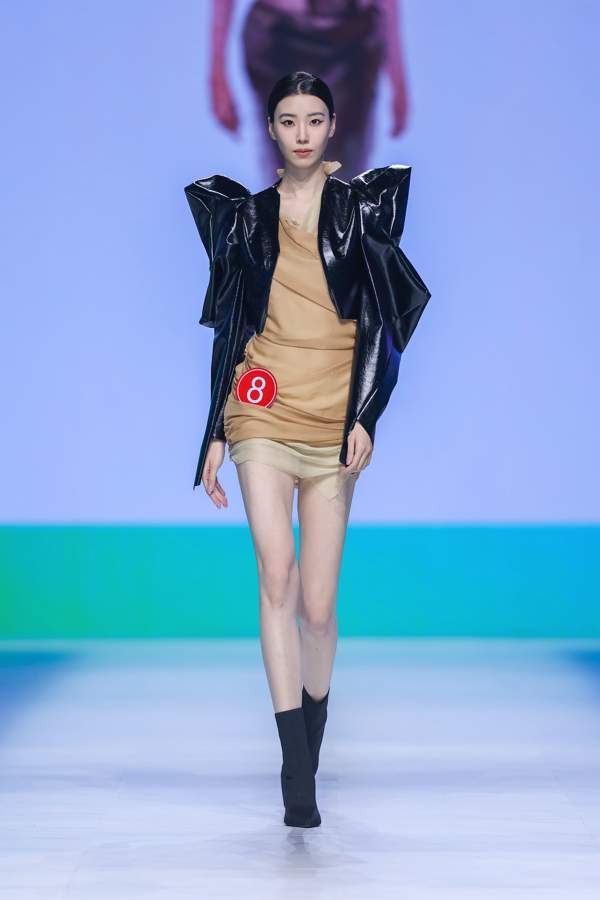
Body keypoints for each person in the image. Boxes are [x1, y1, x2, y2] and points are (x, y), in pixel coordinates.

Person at [184, 72, 431, 828]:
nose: (301, 133)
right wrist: (215, 432)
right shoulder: (245, 219)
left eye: (314, 120)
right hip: (259, 409)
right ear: (271, 128)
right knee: (277, 574)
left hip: (331, 420)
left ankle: (310, 743)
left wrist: (367, 415)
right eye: (288, 120)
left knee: (319, 609)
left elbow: (385, 322)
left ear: (330, 127)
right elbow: (232, 329)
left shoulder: (361, 211)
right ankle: (295, 767)